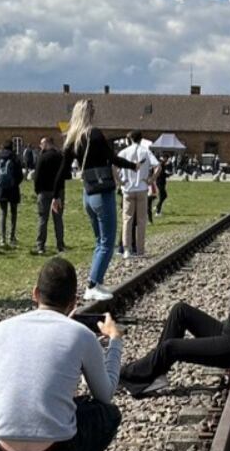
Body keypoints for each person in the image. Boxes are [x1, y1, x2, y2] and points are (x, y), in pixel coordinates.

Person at [0, 258, 123, 451]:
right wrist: (114, 340)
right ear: (73, 302)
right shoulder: (81, 335)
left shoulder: (1, 330)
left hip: (1, 449)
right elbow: (105, 395)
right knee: (108, 414)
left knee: (5, 399)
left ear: (35, 293)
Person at [121, 220, 230, 397]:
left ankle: (124, 374)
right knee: (180, 311)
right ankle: (157, 374)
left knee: (170, 348)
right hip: (226, 331)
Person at [53, 100, 138, 302]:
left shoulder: (72, 138)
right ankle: (92, 284)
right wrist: (133, 166)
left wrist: (55, 196)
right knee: (107, 242)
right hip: (103, 193)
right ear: (89, 113)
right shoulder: (95, 134)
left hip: (88, 194)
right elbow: (112, 158)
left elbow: (62, 170)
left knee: (99, 241)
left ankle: (96, 281)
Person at [118, 131, 157, 259]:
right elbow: (158, 166)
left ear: (130, 139)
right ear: (141, 140)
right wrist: (151, 179)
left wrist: (119, 181)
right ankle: (140, 250)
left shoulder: (124, 152)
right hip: (142, 189)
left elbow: (113, 166)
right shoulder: (145, 152)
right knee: (141, 220)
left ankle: (126, 250)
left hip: (128, 189)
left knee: (127, 219)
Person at [33, 136, 66, 255]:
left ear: (46, 143)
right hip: (58, 192)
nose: (40, 147)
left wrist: (37, 190)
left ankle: (40, 246)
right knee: (58, 219)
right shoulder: (60, 157)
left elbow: (36, 176)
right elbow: (65, 175)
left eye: (41, 144)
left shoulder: (42, 157)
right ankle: (60, 245)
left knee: (43, 219)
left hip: (44, 191)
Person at [0, 140, 24, 247]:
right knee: (13, 213)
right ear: (12, 147)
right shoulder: (15, 158)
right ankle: (12, 237)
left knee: (2, 213)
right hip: (13, 189)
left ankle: (2, 239)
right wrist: (15, 183)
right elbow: (20, 175)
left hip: (1, 189)